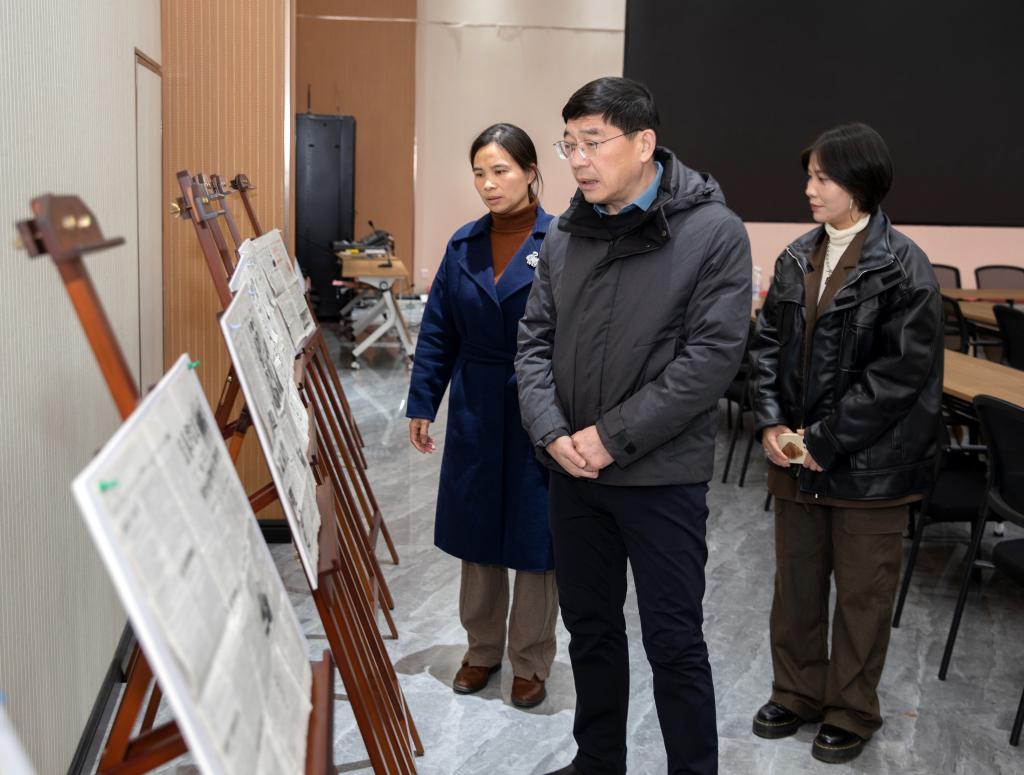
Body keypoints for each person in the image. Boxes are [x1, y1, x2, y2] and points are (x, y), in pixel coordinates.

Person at [516, 77, 751, 775]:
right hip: (572, 473)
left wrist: (608, 438)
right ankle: (597, 760)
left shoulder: (713, 233)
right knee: (589, 629)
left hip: (659, 479)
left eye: (593, 142)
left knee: (674, 641)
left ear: (644, 143)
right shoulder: (566, 233)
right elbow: (533, 342)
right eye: (569, 144)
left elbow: (709, 361)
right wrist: (552, 431)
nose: (578, 160)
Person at [749, 123, 942, 764]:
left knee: (862, 595)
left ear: (859, 184)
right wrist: (771, 423)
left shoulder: (904, 266)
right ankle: (796, 693)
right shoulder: (795, 255)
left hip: (869, 467)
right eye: (808, 176)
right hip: (796, 459)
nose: (809, 189)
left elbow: (899, 378)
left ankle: (851, 709)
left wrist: (826, 440)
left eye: (822, 178)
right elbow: (766, 348)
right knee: (796, 589)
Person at [406, 123, 558, 709]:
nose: (489, 184)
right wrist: (424, 401)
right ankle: (482, 649)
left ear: (530, 172)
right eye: (479, 173)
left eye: (500, 171)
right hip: (475, 401)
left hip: (539, 403)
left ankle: (531, 659)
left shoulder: (561, 240)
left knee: (536, 535)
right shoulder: (463, 244)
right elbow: (438, 329)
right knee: (478, 530)